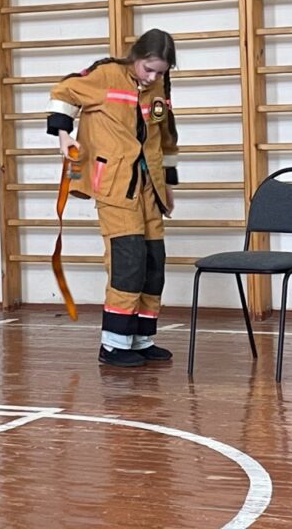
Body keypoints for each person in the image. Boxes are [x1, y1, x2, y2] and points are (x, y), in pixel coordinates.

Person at [47, 29, 179, 368]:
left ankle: (141, 339)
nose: (153, 77)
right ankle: (114, 344)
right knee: (128, 260)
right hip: (115, 185)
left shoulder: (158, 88)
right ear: (135, 57)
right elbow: (63, 92)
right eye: (148, 68)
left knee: (153, 262)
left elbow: (164, 138)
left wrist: (167, 185)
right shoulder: (105, 75)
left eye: (160, 71)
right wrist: (63, 135)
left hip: (149, 186)